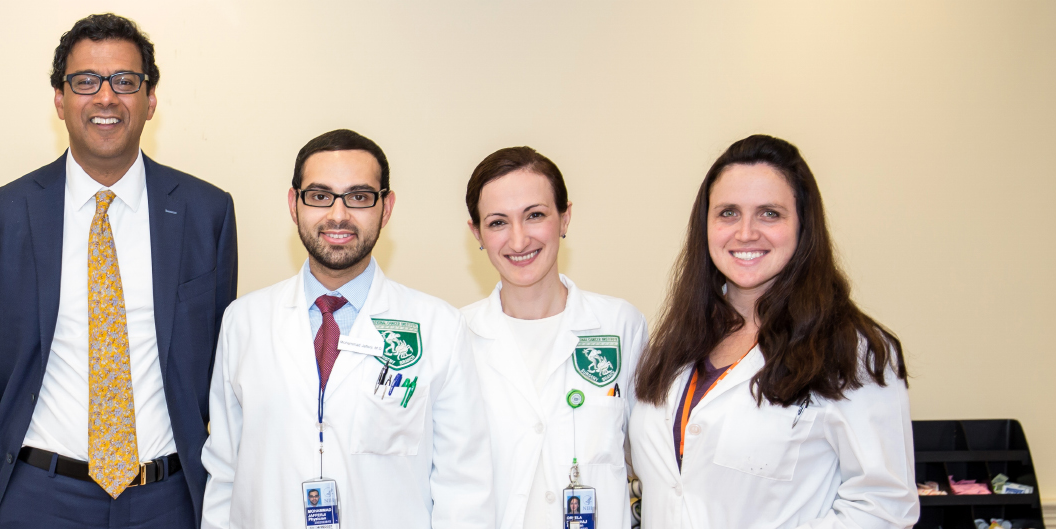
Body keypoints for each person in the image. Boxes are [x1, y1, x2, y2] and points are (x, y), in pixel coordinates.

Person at [0, 13, 238, 529]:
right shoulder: (2, 213)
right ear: (60, 99)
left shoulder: (208, 213)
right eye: (86, 82)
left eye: (125, 81)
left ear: (150, 98)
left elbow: (216, 360)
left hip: (168, 499)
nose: (106, 97)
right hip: (38, 496)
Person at [200, 129, 491, 529]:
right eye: (320, 196)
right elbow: (224, 472)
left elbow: (464, 487)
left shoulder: (439, 327)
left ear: (386, 208)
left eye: (359, 197)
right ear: (293, 203)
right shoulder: (243, 322)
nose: (338, 215)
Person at [629, 134, 917, 528]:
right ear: (706, 226)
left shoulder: (851, 350)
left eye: (769, 213)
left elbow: (884, 508)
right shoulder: (678, 340)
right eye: (728, 213)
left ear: (802, 226)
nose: (746, 233)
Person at [456, 147, 646, 529]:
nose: (519, 239)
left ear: (565, 217)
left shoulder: (619, 325)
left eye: (535, 215)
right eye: (497, 223)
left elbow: (650, 459)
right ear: (476, 232)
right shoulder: (457, 335)